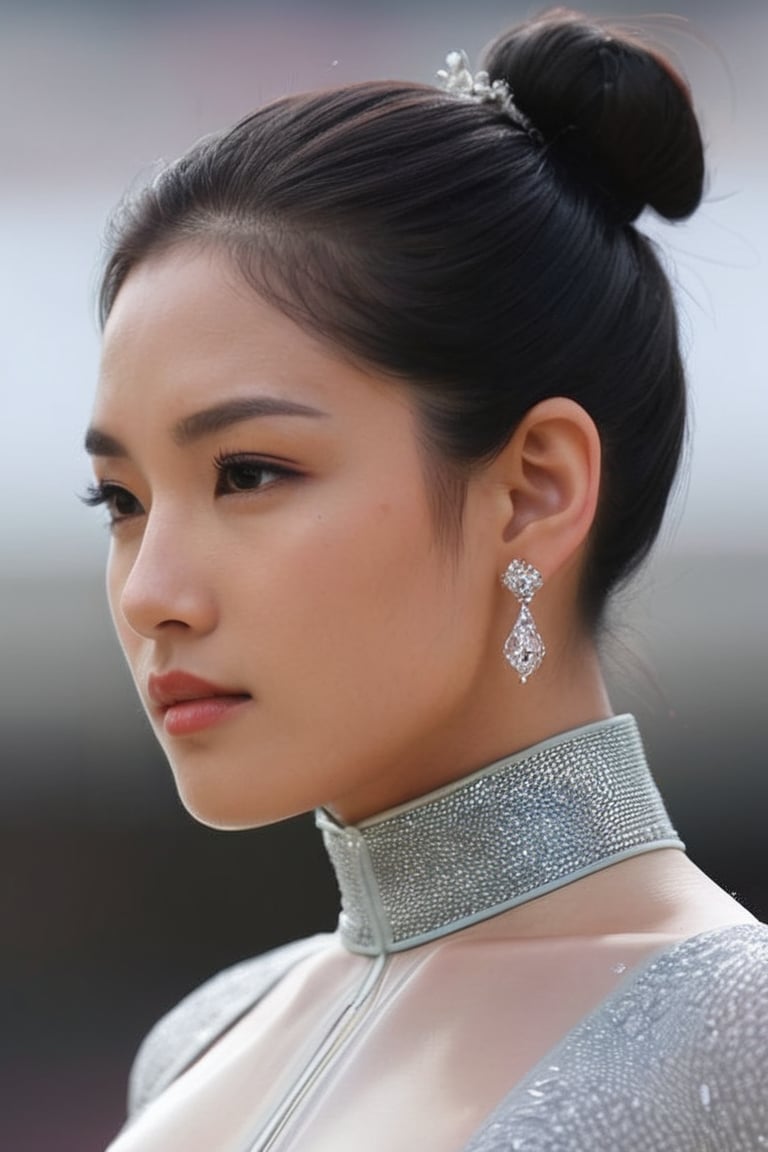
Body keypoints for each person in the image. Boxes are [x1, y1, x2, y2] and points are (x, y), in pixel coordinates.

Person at [83, 8, 767, 1150]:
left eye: (249, 473)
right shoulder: (199, 1041)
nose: (154, 590)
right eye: (121, 501)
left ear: (535, 489)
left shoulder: (742, 1038)